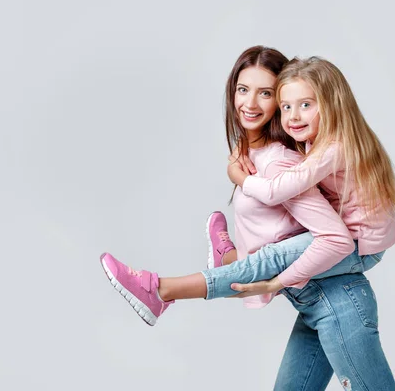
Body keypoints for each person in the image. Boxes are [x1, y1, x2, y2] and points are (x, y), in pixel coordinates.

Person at [100, 47, 375, 325]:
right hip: (318, 296)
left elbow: (327, 239)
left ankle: (159, 289)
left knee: (270, 257)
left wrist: (275, 282)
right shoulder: (263, 150)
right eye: (243, 89)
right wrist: (239, 154)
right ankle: (228, 258)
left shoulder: (280, 162)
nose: (251, 103)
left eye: (265, 93)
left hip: (338, 288)